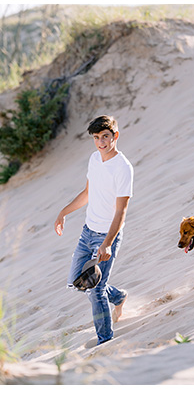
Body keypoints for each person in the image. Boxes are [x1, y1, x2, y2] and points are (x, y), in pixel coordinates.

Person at [55, 115, 133, 348]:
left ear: (115, 136)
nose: (101, 142)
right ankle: (118, 297)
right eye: (96, 138)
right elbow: (88, 193)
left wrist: (108, 243)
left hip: (106, 236)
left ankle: (105, 342)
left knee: (96, 290)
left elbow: (121, 212)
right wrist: (63, 212)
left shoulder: (123, 168)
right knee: (78, 282)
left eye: (105, 137)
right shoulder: (94, 159)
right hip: (87, 232)